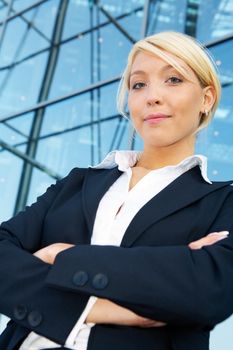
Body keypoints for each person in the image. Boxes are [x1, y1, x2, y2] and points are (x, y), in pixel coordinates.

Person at [0, 31, 233, 350]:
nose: (152, 96)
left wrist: (61, 255)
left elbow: (208, 291)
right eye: (139, 84)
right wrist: (95, 309)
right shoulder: (76, 184)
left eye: (173, 79)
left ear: (206, 99)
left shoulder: (223, 202)